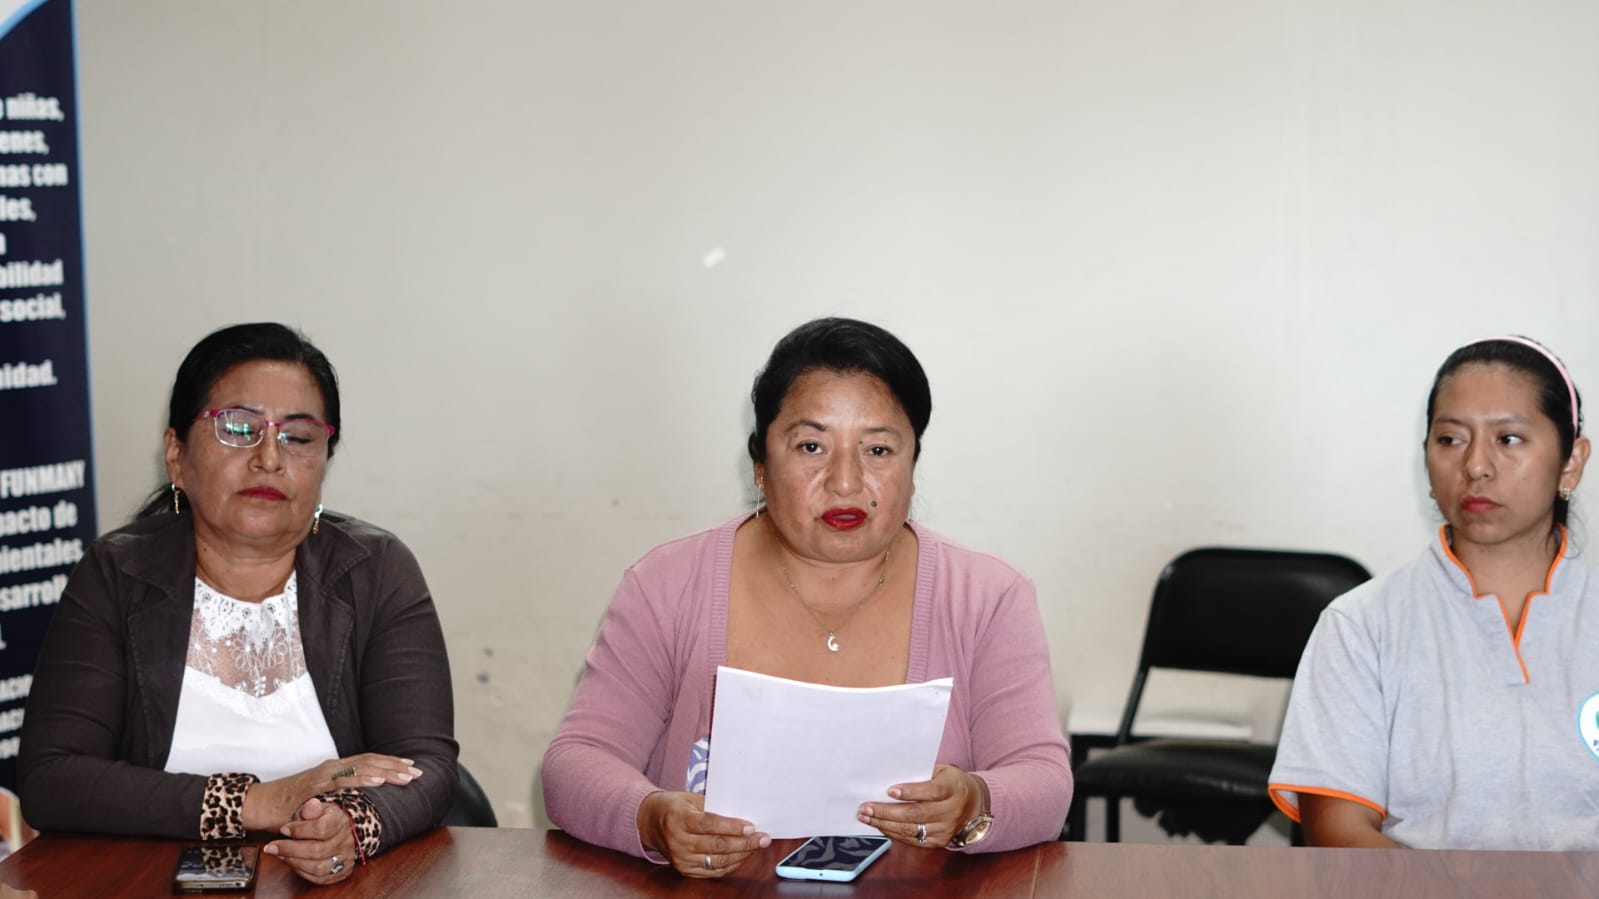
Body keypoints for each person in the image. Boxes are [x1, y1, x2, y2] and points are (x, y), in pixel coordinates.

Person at [541, 317, 1072, 877]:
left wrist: (974, 804)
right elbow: (575, 763)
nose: (845, 482)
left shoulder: (987, 598)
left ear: (913, 465)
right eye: (812, 446)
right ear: (760, 464)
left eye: (878, 450)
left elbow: (1044, 781)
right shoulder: (666, 584)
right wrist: (651, 818)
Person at [19, 323, 457, 885]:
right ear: (176, 455)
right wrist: (261, 801)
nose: (269, 458)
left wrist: (349, 828)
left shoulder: (374, 570)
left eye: (298, 437)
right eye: (239, 429)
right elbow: (53, 779)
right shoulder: (117, 573)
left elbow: (426, 767)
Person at [1268, 335, 1594, 850]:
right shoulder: (1362, 626)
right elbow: (1340, 835)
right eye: (1450, 439)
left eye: (1509, 438)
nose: (1476, 465)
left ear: (1571, 461)